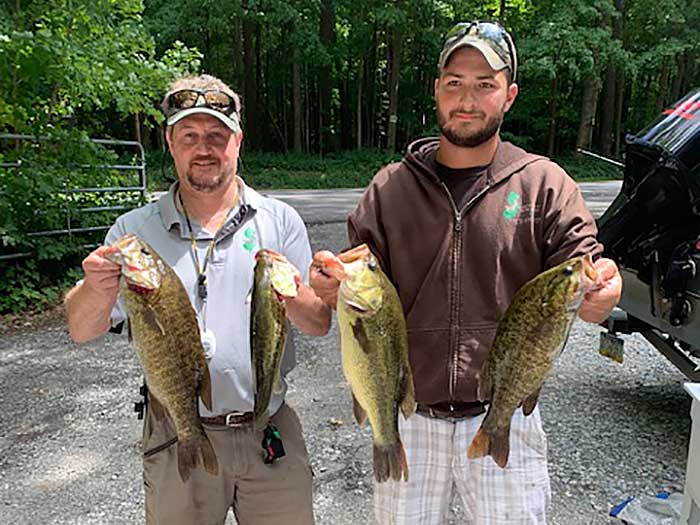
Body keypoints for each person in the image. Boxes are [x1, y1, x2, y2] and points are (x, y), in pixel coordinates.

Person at [310, 21, 622, 525]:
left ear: (510, 94)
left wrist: (605, 289)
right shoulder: (390, 188)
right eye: (454, 82)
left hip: (506, 411)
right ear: (436, 89)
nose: (467, 98)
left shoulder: (544, 183)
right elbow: (358, 281)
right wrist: (330, 284)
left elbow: (587, 263)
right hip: (408, 414)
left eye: (485, 84)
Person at [64, 74, 331, 525]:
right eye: (190, 135)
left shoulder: (280, 220)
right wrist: (95, 286)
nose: (204, 148)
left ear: (238, 141)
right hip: (174, 431)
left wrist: (297, 292)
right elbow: (81, 328)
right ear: (170, 142)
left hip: (268, 426)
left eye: (216, 135)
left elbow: (318, 323)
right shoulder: (133, 232)